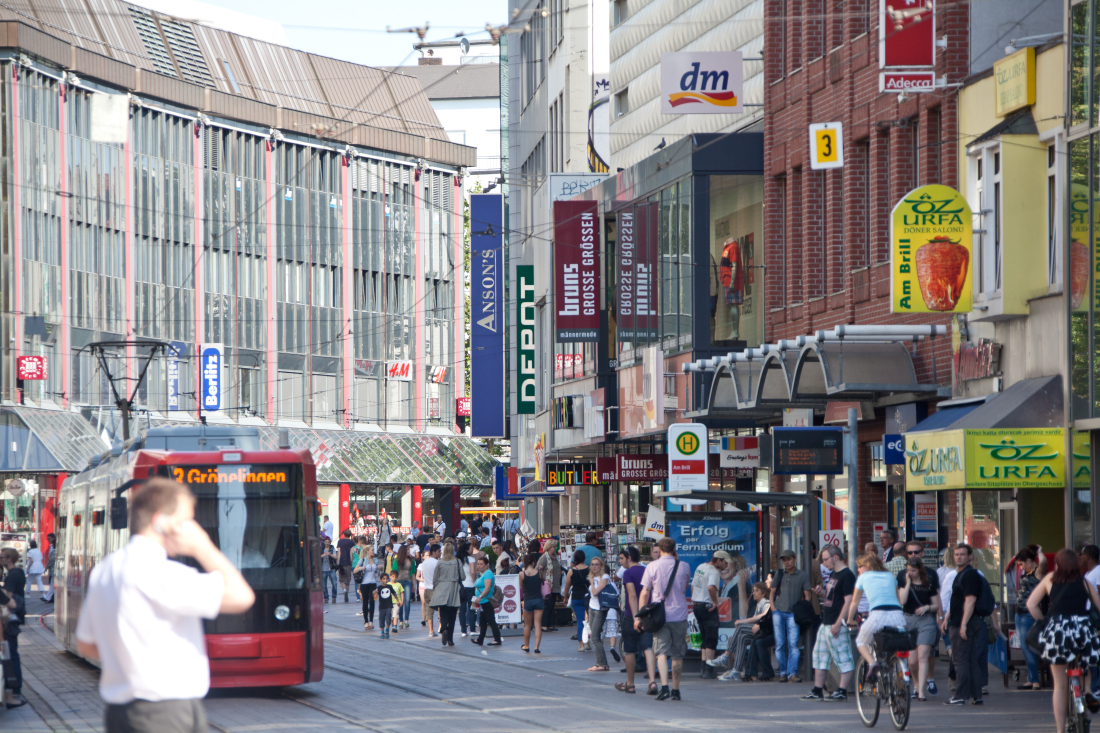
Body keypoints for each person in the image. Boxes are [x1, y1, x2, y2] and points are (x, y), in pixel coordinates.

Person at [74, 477, 255, 733]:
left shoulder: (105, 569)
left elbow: (86, 643)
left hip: (121, 712)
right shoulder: (160, 572)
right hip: (164, 711)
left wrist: (132, 659)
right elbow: (241, 597)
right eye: (187, 521)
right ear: (161, 521)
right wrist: (203, 547)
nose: (192, 528)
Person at [1028, 548, 1100, 732]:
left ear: (1058, 564)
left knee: (1059, 685)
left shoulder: (1050, 579)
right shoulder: (1084, 583)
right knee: (1086, 665)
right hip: (1082, 630)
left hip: (1057, 632)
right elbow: (1098, 606)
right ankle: (1090, 692)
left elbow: (1031, 604)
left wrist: (1044, 621)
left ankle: (1060, 729)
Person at [637, 537, 692, 701]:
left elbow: (645, 592)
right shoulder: (684, 566)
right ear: (674, 549)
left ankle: (664, 687)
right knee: (677, 654)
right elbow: (685, 586)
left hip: (659, 615)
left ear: (659, 550)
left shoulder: (652, 566)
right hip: (680, 613)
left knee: (660, 652)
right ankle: (676, 690)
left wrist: (640, 615)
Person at [802, 545, 856, 701]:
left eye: (825, 559)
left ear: (835, 557)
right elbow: (833, 596)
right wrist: (823, 593)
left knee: (843, 656)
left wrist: (839, 622)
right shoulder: (835, 573)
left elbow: (848, 601)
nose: (823, 563)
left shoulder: (847, 575)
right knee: (820, 655)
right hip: (827, 620)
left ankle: (842, 690)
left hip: (836, 621)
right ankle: (817, 689)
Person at [846, 553, 904, 683]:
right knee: (893, 648)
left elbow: (855, 602)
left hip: (878, 614)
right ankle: (897, 679)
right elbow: (898, 598)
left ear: (867, 566)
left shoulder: (863, 577)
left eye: (860, 566)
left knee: (861, 641)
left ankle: (873, 663)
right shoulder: (890, 576)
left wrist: (850, 619)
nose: (858, 570)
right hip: (897, 615)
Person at [943, 543, 984, 706]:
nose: (959, 557)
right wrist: (947, 617)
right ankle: (977, 695)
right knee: (970, 659)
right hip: (960, 620)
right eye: (957, 554)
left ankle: (960, 695)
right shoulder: (960, 574)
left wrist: (963, 625)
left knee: (960, 660)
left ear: (970, 557)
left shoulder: (969, 575)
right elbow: (957, 600)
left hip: (964, 622)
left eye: (962, 554)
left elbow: (970, 600)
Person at [898, 551, 941, 701]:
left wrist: (927, 608)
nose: (911, 573)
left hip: (925, 621)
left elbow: (936, 605)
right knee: (912, 661)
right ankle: (916, 684)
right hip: (908, 620)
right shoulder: (904, 583)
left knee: (923, 657)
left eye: (914, 570)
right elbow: (902, 602)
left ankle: (921, 691)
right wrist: (908, 583)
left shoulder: (928, 583)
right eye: (908, 570)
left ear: (920, 570)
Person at [709, 581, 773, 682]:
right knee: (741, 637)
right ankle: (736, 671)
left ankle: (725, 656)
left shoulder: (766, 602)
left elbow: (763, 615)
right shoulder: (757, 604)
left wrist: (743, 621)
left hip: (765, 632)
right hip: (758, 632)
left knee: (740, 626)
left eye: (757, 591)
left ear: (764, 593)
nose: (754, 593)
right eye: (753, 591)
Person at [617, 546, 656, 695]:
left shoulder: (628, 573)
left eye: (622, 558)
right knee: (648, 648)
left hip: (631, 616)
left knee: (630, 650)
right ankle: (652, 681)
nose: (621, 562)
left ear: (629, 558)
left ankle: (631, 683)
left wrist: (636, 618)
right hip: (649, 614)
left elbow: (632, 596)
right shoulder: (647, 570)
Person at [769, 548, 811, 683]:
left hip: (793, 614)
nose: (787, 562)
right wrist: (773, 607)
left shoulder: (802, 575)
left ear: (795, 559)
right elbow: (772, 592)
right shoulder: (779, 573)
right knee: (780, 644)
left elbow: (807, 596)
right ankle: (783, 672)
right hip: (778, 611)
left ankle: (792, 673)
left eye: (789, 559)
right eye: (784, 560)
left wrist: (800, 609)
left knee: (793, 644)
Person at [691, 550, 728, 677]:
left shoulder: (700, 567)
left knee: (704, 636)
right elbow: (711, 587)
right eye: (725, 562)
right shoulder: (714, 572)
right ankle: (709, 669)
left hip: (697, 605)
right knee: (711, 638)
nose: (726, 565)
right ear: (719, 561)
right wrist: (715, 602)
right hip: (707, 606)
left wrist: (696, 597)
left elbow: (693, 586)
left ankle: (703, 667)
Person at [0, 547, 27, 709]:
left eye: (1, 557)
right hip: (13, 619)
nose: (0, 559)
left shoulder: (12, 575)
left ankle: (14, 689)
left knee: (11, 656)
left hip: (9, 621)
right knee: (12, 655)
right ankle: (13, 690)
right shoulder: (19, 572)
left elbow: (8, 599)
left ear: (9, 558)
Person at [1014, 545, 1043, 691]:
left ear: (1030, 561)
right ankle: (1031, 679)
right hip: (1019, 613)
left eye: (1022, 564)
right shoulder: (1027, 573)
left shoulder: (1038, 572)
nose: (1021, 567)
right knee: (1024, 647)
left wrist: (1040, 552)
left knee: (1028, 646)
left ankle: (1035, 680)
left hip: (1028, 614)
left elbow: (1043, 563)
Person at [586, 556, 618, 672]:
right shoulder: (592, 576)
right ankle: (599, 662)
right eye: (593, 564)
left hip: (600, 609)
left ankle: (603, 664)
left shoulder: (604, 577)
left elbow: (594, 592)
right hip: (591, 608)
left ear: (601, 566)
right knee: (595, 636)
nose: (594, 566)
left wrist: (591, 582)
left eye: (597, 564)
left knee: (594, 637)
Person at [430, 542, 462, 646]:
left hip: (441, 587)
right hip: (453, 588)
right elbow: (463, 576)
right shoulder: (457, 562)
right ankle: (450, 639)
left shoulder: (440, 562)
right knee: (452, 615)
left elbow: (435, 578)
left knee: (443, 611)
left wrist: (435, 587)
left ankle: (444, 628)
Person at [563, 550, 591, 652]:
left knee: (580, 621)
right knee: (587, 621)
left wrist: (565, 598)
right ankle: (587, 642)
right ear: (584, 558)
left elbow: (567, 587)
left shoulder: (571, 571)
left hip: (576, 598)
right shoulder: (589, 569)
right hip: (588, 598)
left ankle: (581, 644)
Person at [472, 555, 501, 646]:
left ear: (486, 565)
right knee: (483, 621)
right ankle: (480, 639)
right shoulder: (482, 574)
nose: (479, 566)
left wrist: (480, 596)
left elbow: (487, 588)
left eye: (481, 564)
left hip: (486, 601)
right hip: (482, 602)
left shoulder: (488, 573)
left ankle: (497, 639)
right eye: (478, 564)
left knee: (490, 620)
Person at [520, 553, 545, 653]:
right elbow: (542, 581)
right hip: (538, 599)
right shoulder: (539, 572)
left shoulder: (522, 574)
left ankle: (526, 645)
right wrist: (541, 570)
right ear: (534, 562)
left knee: (527, 625)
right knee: (537, 624)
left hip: (528, 600)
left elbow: (522, 587)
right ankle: (536, 647)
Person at [537, 539, 562, 632]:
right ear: (549, 547)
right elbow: (537, 569)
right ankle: (544, 625)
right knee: (547, 605)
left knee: (552, 605)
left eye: (556, 547)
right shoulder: (544, 557)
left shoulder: (555, 557)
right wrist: (540, 570)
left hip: (555, 584)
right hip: (547, 585)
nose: (555, 549)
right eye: (554, 547)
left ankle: (550, 624)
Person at [357, 544, 381, 630]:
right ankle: (366, 621)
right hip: (364, 584)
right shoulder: (363, 560)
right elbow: (355, 570)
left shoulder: (376, 560)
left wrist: (380, 568)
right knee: (365, 602)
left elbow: (379, 570)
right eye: (372, 550)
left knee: (372, 601)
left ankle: (371, 621)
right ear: (367, 551)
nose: (373, 552)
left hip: (373, 583)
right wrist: (361, 568)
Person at [457, 541, 478, 637]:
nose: (472, 549)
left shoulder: (458, 560)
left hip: (461, 587)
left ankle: (463, 631)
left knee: (462, 609)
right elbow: (473, 572)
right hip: (471, 586)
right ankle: (472, 629)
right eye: (470, 548)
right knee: (472, 608)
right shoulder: (471, 559)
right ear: (466, 550)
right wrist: (475, 583)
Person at [419, 544, 440, 636]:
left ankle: (431, 631)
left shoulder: (424, 563)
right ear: (434, 552)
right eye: (439, 551)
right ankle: (441, 627)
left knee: (429, 610)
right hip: (435, 588)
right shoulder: (437, 563)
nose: (440, 553)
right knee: (440, 609)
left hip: (426, 588)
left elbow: (422, 576)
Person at [392, 544, 413, 629]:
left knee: (407, 601)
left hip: (408, 581)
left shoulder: (411, 561)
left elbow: (413, 573)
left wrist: (414, 584)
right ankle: (400, 620)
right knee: (400, 601)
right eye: (407, 550)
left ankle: (406, 619)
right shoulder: (396, 561)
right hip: (399, 582)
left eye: (409, 550)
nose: (408, 551)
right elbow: (394, 572)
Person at [375, 573, 399, 638]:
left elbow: (394, 593)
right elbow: (375, 596)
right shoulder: (379, 588)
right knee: (381, 619)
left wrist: (398, 600)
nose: (385, 580)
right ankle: (382, 632)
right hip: (382, 607)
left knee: (388, 619)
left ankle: (387, 630)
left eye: (386, 579)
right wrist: (374, 594)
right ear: (380, 580)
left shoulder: (389, 587)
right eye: (384, 579)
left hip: (389, 606)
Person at [336, 530, 355, 603]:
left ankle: (344, 590)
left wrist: (338, 562)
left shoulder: (340, 541)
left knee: (341, 579)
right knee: (348, 579)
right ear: (350, 535)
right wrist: (351, 561)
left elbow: (339, 552)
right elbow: (351, 552)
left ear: (343, 534)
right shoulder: (351, 542)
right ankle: (347, 591)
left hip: (341, 562)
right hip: (348, 562)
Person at [321, 539, 338, 603]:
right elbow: (318, 556)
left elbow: (335, 557)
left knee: (334, 583)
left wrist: (330, 554)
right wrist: (325, 554)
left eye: (328, 542)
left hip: (331, 568)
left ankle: (334, 597)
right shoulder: (321, 548)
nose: (327, 543)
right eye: (326, 542)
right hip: (323, 569)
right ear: (324, 542)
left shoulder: (332, 548)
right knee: (324, 585)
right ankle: (326, 597)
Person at [43, 532, 56, 603]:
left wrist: (47, 566)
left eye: (49, 539)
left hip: (53, 570)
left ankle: (47, 597)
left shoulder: (54, 550)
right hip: (53, 570)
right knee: (51, 584)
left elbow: (51, 560)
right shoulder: (51, 547)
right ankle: (48, 597)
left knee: (52, 584)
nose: (48, 540)